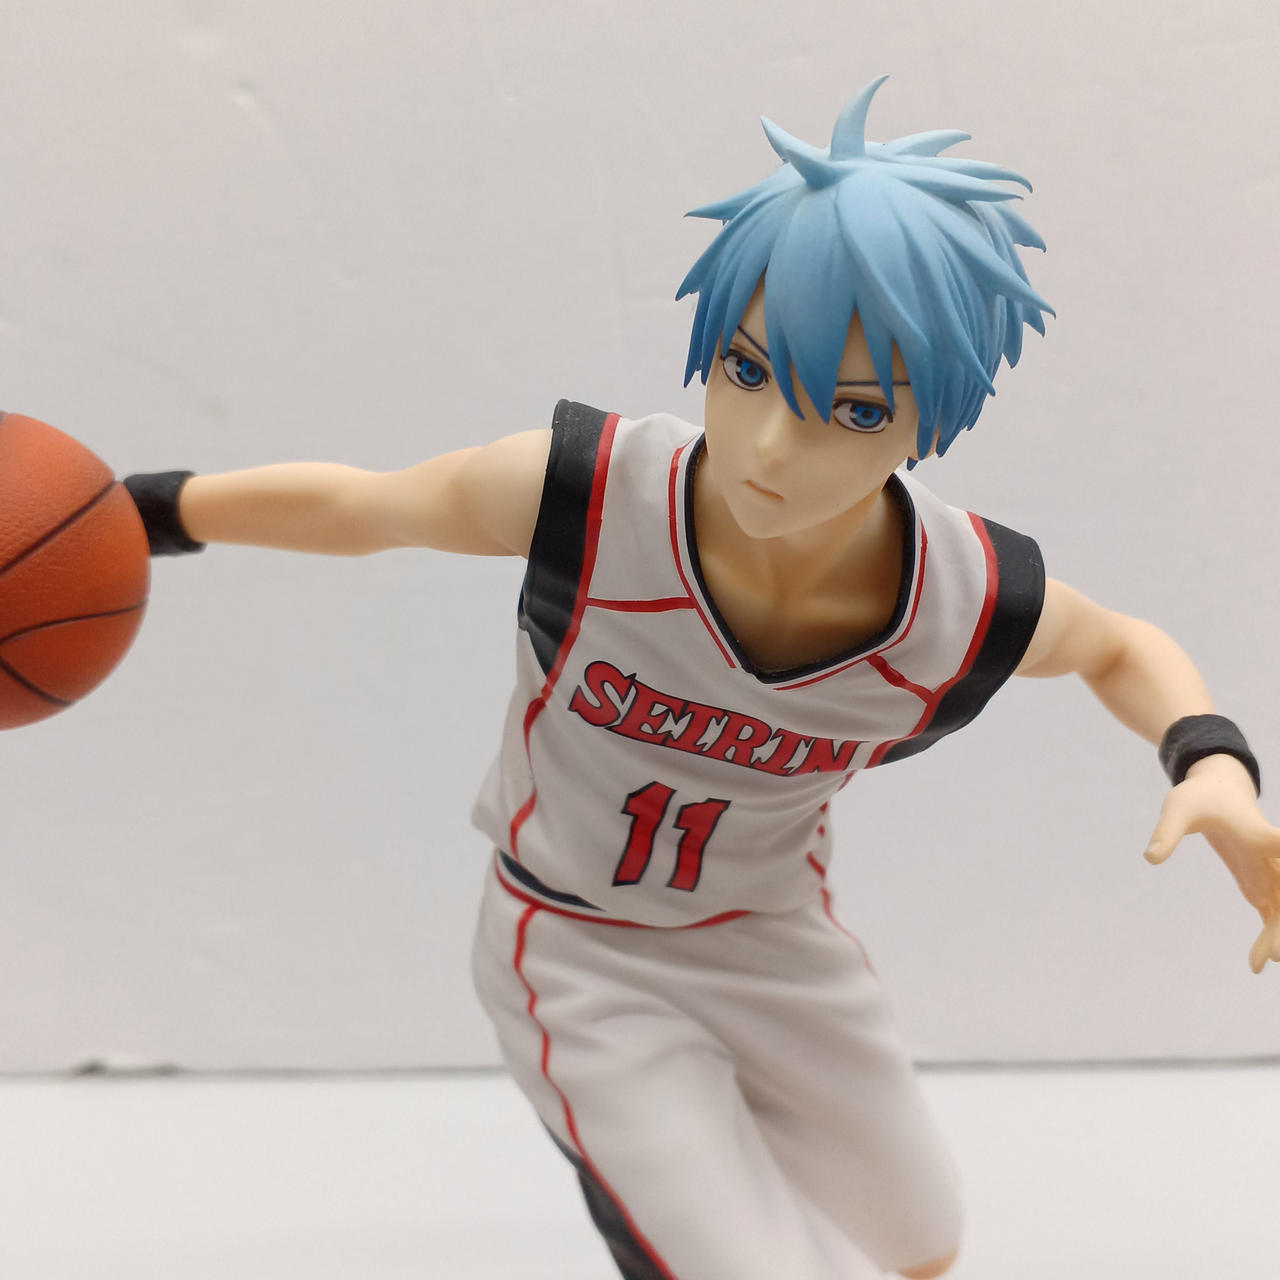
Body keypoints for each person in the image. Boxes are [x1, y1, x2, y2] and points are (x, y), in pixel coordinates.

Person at [123, 77, 1280, 1280]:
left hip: (771, 935)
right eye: (744, 370)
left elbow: (1114, 646)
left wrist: (1209, 762)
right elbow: (363, 507)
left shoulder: (958, 595)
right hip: (577, 941)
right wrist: (136, 512)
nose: (770, 444)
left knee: (918, 1238)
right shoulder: (586, 495)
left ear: (927, 421)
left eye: (850, 408)